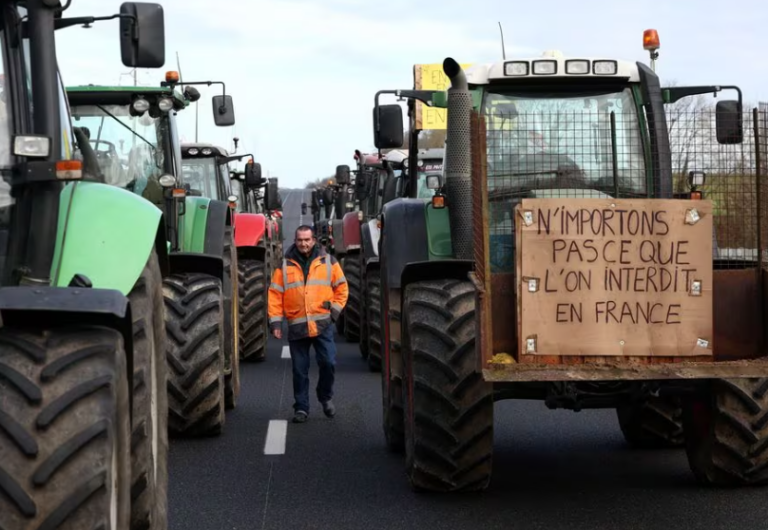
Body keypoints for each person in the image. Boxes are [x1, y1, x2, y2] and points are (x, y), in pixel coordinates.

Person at [268, 225, 349, 423]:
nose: (303, 244)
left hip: (322, 325)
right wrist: (276, 323)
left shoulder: (328, 261)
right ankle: (301, 408)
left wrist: (334, 313)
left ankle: (325, 396)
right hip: (297, 326)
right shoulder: (284, 265)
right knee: (299, 370)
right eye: (299, 240)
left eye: (307, 240)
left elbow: (342, 288)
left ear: (313, 240)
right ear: (295, 241)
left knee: (328, 363)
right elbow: (275, 294)